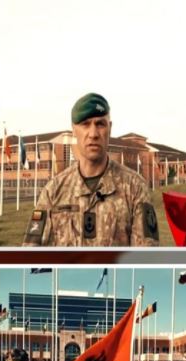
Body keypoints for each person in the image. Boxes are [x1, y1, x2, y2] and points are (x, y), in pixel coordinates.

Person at [23, 92, 159, 247]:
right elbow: (30, 254)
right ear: (74, 130)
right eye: (85, 124)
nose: (93, 134)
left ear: (110, 128)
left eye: (100, 124)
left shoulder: (135, 188)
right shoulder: (53, 191)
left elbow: (145, 257)